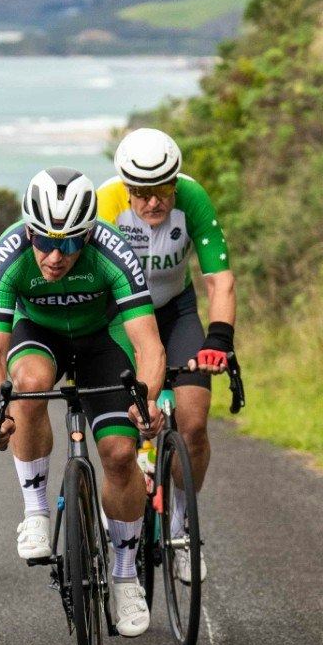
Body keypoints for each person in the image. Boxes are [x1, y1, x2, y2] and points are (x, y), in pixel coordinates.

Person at [0, 167, 164, 637]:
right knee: (29, 383)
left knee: (121, 453)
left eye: (69, 243)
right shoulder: (10, 254)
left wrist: (148, 401)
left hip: (103, 339)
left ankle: (124, 575)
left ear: (88, 234)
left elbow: (150, 347)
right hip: (40, 335)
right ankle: (36, 510)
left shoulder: (112, 251)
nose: (55, 255)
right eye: (44, 241)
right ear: (29, 231)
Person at [95, 128, 236, 583]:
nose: (152, 203)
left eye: (161, 191)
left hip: (176, 311)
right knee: (132, 417)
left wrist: (218, 339)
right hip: (120, 316)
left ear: (175, 183)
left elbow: (219, 280)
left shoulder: (192, 196)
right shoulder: (105, 201)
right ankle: (123, 508)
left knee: (193, 421)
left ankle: (182, 526)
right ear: (125, 186)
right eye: (141, 193)